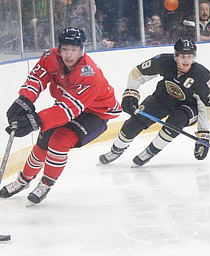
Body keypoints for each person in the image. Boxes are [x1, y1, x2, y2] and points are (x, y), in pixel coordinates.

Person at [0, 27, 122, 204]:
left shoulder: (90, 74)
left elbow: (68, 109)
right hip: (69, 104)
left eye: (73, 50)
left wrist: (34, 120)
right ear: (59, 48)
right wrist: (24, 100)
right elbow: (38, 77)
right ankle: (23, 181)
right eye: (65, 49)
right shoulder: (51, 57)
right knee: (43, 140)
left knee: (59, 141)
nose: (68, 54)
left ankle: (46, 183)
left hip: (96, 113)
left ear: (82, 50)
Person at [99, 37, 210, 167]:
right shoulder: (164, 61)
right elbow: (138, 72)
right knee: (135, 122)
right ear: (176, 56)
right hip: (163, 98)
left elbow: (206, 105)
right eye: (182, 56)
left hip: (189, 107)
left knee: (175, 122)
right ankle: (115, 150)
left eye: (190, 56)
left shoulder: (202, 75)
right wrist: (131, 91)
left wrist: (203, 133)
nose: (186, 60)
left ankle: (150, 152)